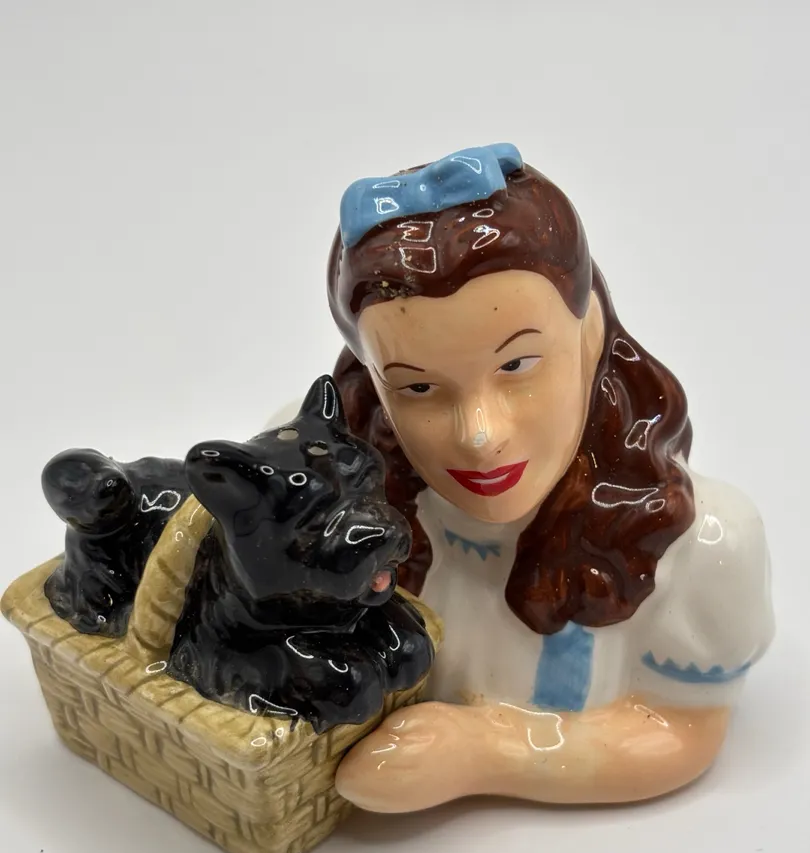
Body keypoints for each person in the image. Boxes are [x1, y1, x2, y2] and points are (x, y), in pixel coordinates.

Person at [326, 142, 774, 812]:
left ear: (590, 336)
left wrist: (485, 753)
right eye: (417, 387)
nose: (479, 434)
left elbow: (682, 727)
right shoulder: (340, 504)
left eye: (516, 367)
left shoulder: (701, 549)